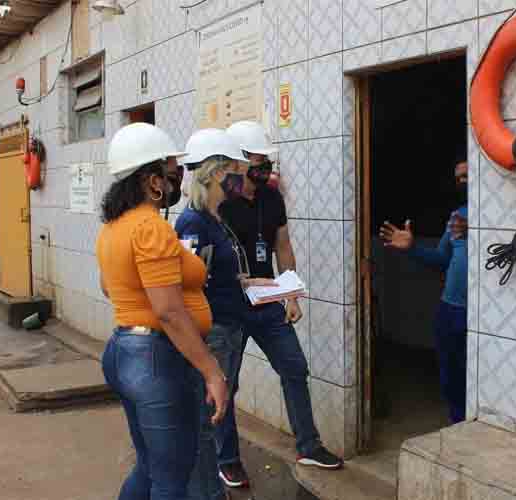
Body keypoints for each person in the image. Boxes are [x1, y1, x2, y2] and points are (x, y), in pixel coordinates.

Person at [97, 123, 229, 500]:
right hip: (156, 359)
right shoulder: (149, 228)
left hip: (125, 350)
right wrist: (212, 372)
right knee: (172, 479)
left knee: (151, 467)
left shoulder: (113, 227)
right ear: (154, 182)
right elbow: (169, 312)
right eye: (174, 172)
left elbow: (109, 286)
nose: (178, 182)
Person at [213, 120, 343, 488]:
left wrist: (291, 293)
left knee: (294, 367)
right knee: (227, 385)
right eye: (258, 160)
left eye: (266, 160)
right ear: (239, 162)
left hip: (268, 301)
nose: (265, 166)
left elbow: (282, 246)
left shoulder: (272, 197)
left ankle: (309, 445)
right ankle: (227, 459)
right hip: (230, 307)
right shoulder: (221, 201)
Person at [174, 129, 277, 499]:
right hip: (215, 328)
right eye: (236, 168)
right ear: (218, 173)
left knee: (221, 398)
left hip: (229, 323)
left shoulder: (215, 218)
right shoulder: (193, 223)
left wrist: (246, 281)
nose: (242, 175)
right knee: (212, 408)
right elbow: (185, 285)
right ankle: (208, 484)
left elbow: (213, 272)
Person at [379, 160, 469, 424]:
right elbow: (442, 259)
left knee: (476, 376)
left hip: (480, 315)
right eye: (458, 177)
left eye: (468, 175)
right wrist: (411, 247)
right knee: (451, 378)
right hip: (450, 310)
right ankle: (457, 424)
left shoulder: (497, 215)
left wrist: (478, 230)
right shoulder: (456, 217)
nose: (462, 182)